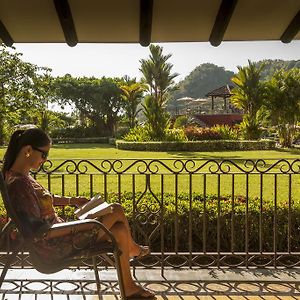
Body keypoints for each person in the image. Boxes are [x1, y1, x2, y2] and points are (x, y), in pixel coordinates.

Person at [2, 127, 155, 299]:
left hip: (58, 237)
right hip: (54, 247)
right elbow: (40, 232)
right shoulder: (18, 185)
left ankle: (129, 288)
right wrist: (86, 224)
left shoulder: (21, 176)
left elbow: (44, 199)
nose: (45, 160)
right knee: (116, 209)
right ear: (28, 150)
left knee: (119, 231)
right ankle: (133, 249)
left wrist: (72, 200)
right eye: (44, 155)